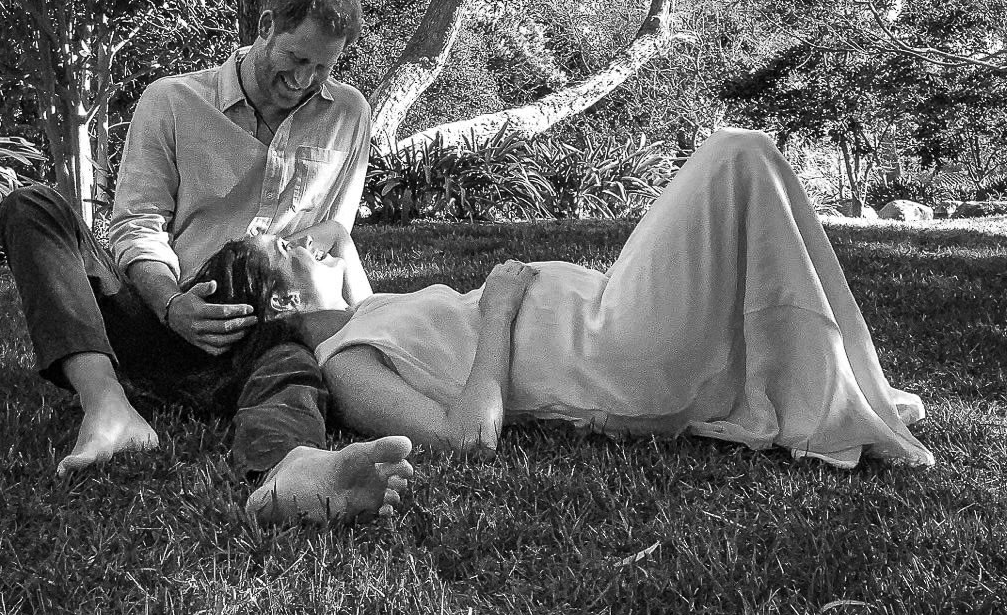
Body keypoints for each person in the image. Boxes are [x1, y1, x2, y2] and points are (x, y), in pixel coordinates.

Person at [221, 128, 935, 470]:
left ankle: (846, 385)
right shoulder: (347, 364)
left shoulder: (368, 311)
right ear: (281, 305)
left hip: (611, 312)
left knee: (749, 180)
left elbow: (339, 242)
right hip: (615, 353)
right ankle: (846, 402)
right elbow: (464, 439)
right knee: (736, 157)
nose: (309, 245)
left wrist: (306, 250)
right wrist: (497, 309)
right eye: (289, 252)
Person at [0, 0, 414, 525]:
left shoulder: (348, 113)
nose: (307, 79)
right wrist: (172, 305)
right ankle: (109, 409)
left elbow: (330, 238)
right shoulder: (171, 101)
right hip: (162, 318)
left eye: (324, 67)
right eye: (296, 58)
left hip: (265, 332)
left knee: (289, 369)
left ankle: (291, 469)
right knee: (32, 207)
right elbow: (136, 225)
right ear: (266, 26)